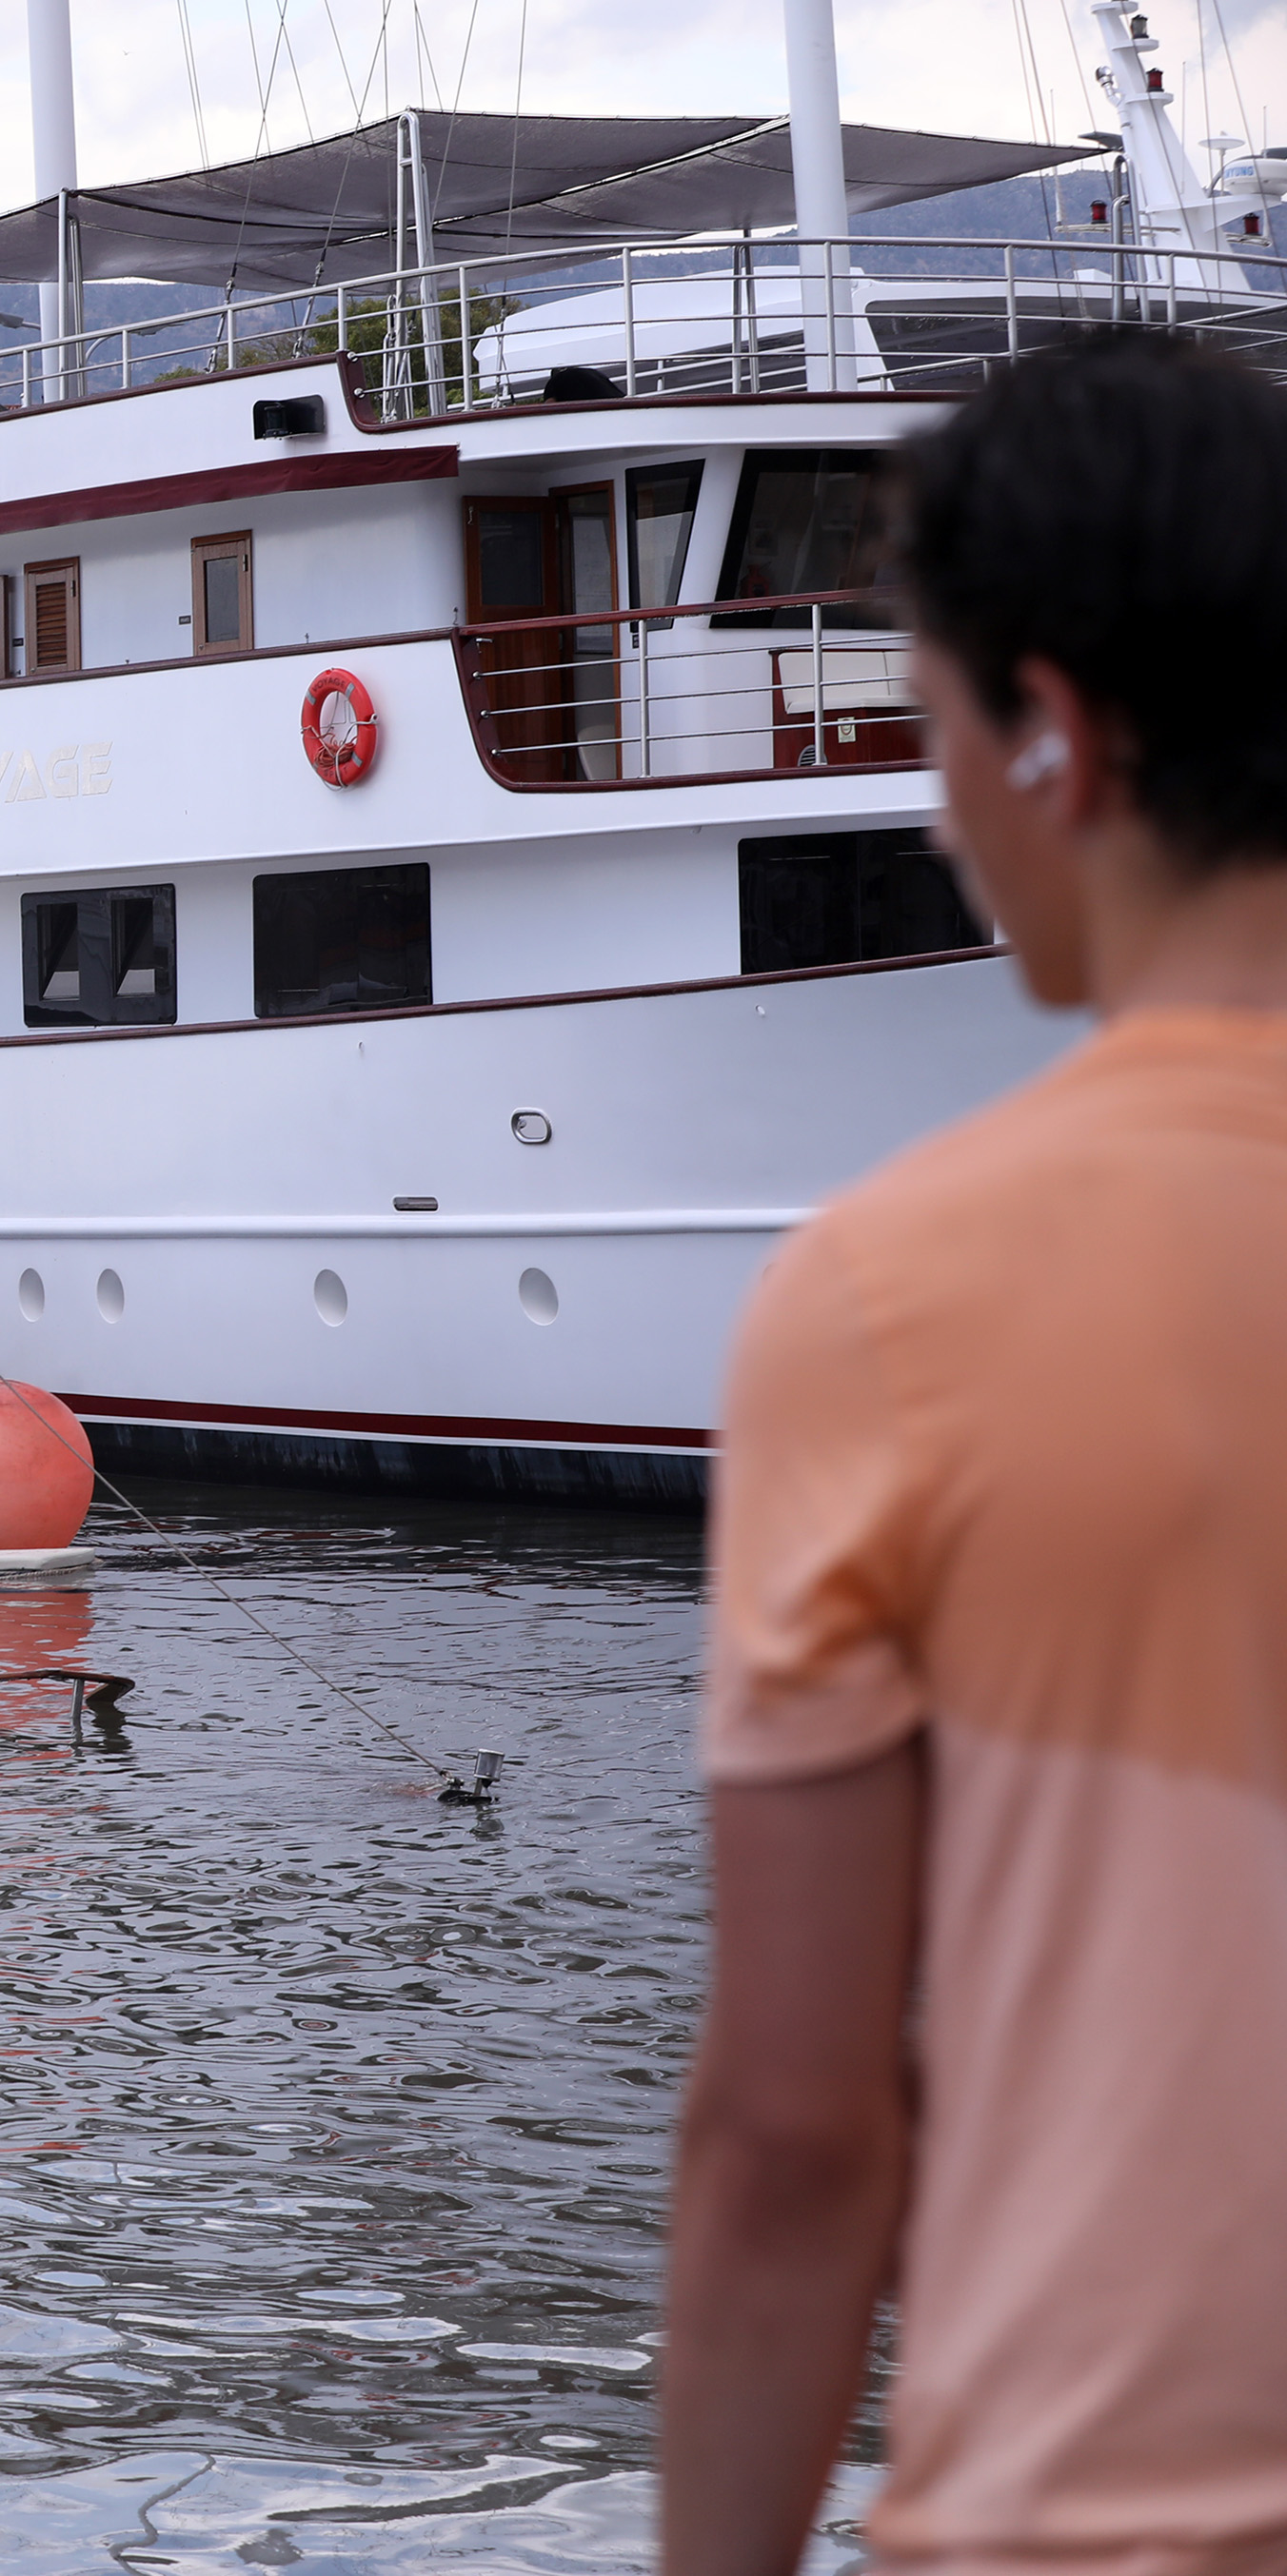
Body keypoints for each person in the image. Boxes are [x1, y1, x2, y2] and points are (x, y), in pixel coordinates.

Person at [667, 335, 1287, 2576]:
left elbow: (795, 2132)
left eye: (934, 734)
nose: (939, 813)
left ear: (1055, 729)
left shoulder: (885, 1306)